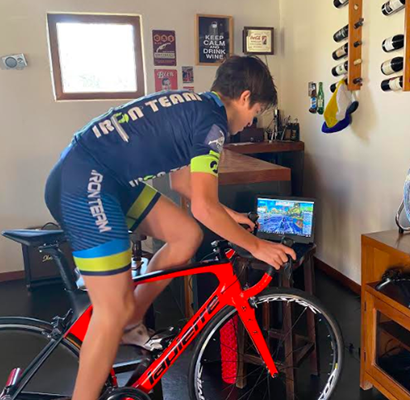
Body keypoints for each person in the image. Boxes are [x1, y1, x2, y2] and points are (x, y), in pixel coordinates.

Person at [44, 55, 296, 400]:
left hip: (105, 178)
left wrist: (227, 213)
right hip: (85, 182)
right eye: (256, 111)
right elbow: (203, 207)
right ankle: (113, 335)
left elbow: (183, 184)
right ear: (245, 97)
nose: (252, 121)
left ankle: (130, 324)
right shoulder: (213, 125)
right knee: (111, 310)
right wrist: (257, 246)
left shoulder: (195, 107)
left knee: (186, 235)